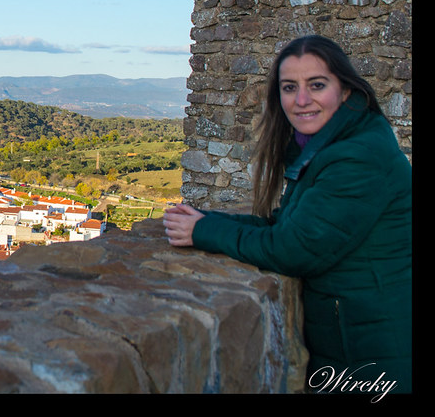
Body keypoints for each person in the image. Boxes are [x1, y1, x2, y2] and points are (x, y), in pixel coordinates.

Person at [164, 35, 411, 395]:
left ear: (344, 91)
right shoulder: (331, 145)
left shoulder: (357, 157)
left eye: (317, 85)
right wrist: (208, 220)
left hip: (375, 350)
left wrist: (203, 233)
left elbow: (293, 247)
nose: (302, 100)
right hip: (359, 339)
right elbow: (286, 224)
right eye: (289, 87)